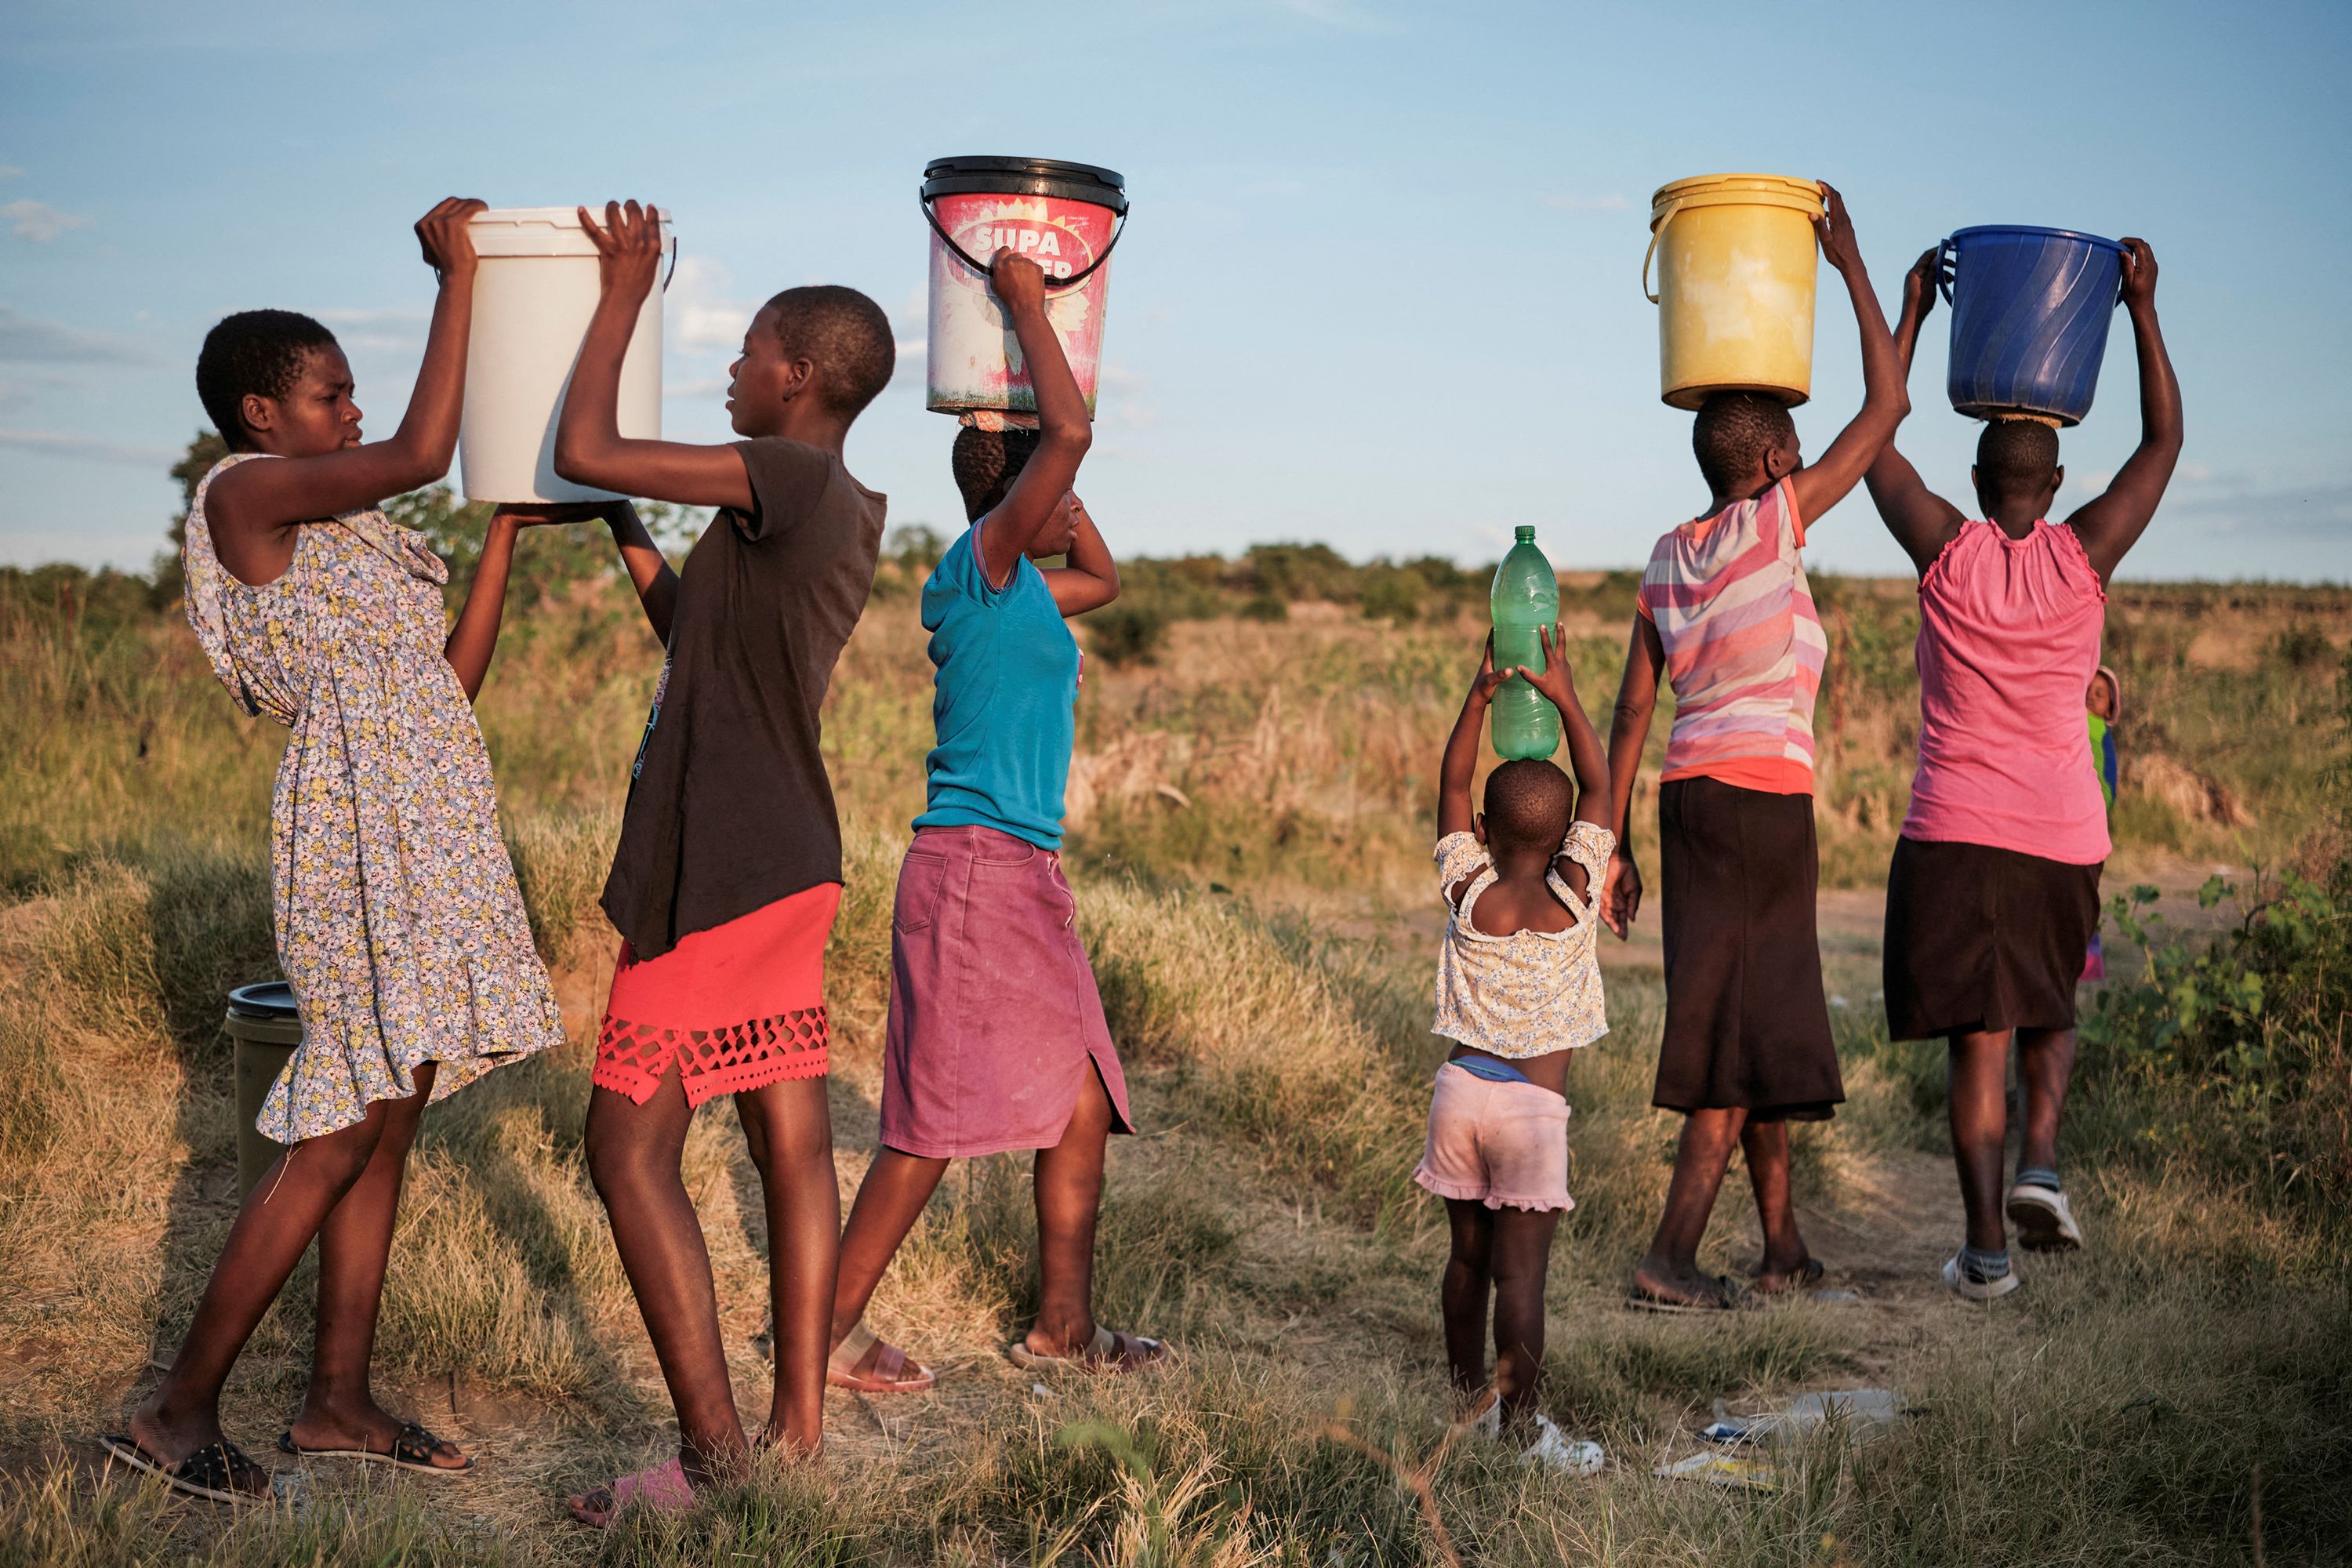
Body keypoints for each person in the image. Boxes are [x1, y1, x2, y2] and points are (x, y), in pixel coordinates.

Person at [103, 200, 572, 1502]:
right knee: (338, 1125)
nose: (353, 416)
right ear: (262, 414)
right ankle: (174, 1411)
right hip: (357, 828)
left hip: (431, 811)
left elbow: (446, 683)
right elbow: (430, 441)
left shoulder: (351, 541)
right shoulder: (249, 498)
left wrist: (503, 546)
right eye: (331, 394)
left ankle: (336, 1399)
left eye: (351, 396)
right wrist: (462, 272)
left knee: (389, 1112)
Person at [550, 201, 897, 1520]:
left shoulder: (791, 478)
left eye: (748, 351)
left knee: (626, 1149)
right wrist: (626, 529)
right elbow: (691, 633)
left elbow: (585, 438)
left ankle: (713, 1463)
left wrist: (625, 289)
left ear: (797, 374)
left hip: (730, 864)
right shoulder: (830, 506)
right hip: (783, 854)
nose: (734, 368)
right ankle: (795, 1431)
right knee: (788, 1142)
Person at [822, 248, 1163, 1398]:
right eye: (1044, 492)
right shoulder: (981, 566)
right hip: (971, 873)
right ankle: (822, 1330)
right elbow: (1063, 441)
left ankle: (1064, 1329)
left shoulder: (1025, 589)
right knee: (930, 1121)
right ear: (1014, 502)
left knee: (1077, 1099)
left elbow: (1106, 579)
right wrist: (1027, 308)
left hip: (1022, 875)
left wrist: (1064, 504)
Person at [1600, 183, 1908, 1312]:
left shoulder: (1668, 556)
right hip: (1757, 806)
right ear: (1780, 459)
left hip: (1692, 799)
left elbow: (1634, 711)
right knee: (1735, 1028)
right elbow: (1888, 406)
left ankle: (1782, 1247)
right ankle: (1668, 1258)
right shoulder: (1777, 522)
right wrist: (1855, 266)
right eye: (1794, 442)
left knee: (1762, 1015)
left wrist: (1614, 838)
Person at [1863, 241, 2180, 1300]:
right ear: (2052, 483)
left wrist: (1909, 312)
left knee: (1977, 1046)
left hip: (1954, 831)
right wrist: (2138, 307)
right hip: (2061, 833)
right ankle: (2044, 1161)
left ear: (1978, 479)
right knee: (2051, 1006)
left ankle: (1986, 1253)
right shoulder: (2085, 555)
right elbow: (2165, 440)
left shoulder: (1943, 551)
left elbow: (1873, 448)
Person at [1420, 629, 1612, 1472]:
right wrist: (1563, 692)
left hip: (1460, 1092)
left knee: (1466, 1257)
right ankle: (1524, 1428)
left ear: (1484, 830)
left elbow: (1451, 781)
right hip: (1534, 1112)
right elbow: (1604, 782)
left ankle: (1469, 1405)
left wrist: (1476, 697)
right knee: (1522, 1281)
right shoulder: (1576, 897)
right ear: (1569, 832)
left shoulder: (1469, 893)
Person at [2082, 667, 2122, 981]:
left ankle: (2089, 960)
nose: (2090, 697)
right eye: (2087, 690)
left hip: (2091, 817)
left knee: (2087, 891)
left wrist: (2100, 805)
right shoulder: (2072, 723)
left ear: (2110, 708)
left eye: (2099, 694)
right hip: (2071, 816)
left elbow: (2110, 779)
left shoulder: (2102, 735)